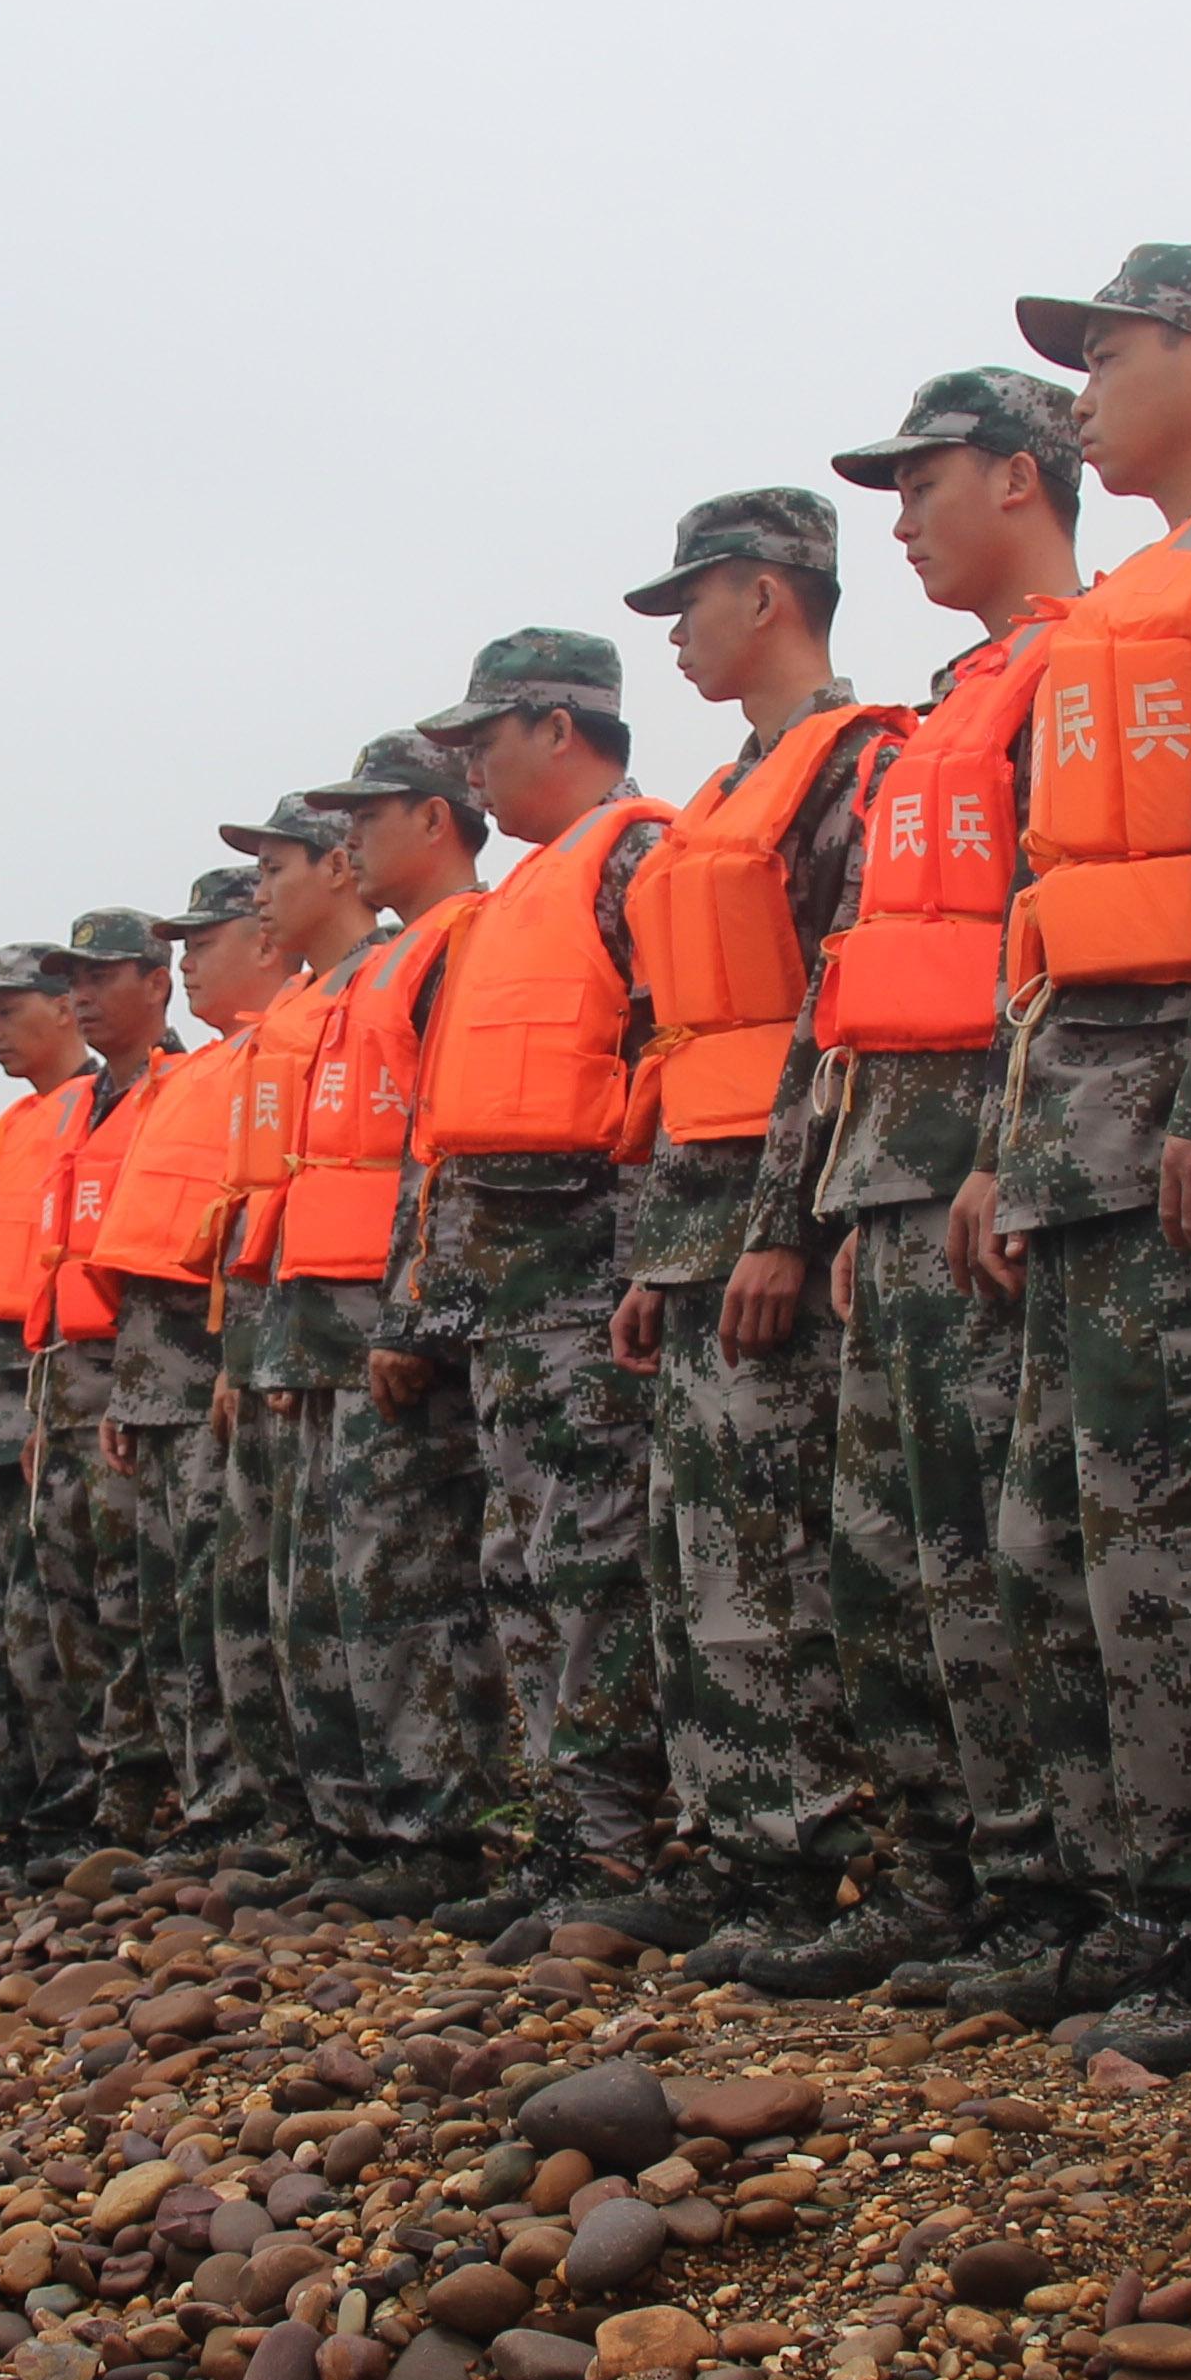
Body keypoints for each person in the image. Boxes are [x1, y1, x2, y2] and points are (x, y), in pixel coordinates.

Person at [953, 249, 1191, 2061]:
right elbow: (1055, 906)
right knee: (1056, 1541)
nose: (1079, 385)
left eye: (1103, 351)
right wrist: (1001, 1147)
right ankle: (1132, 1895)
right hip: (1074, 1132)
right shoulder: (1128, 598)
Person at [782, 367, 1093, 1998]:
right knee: (886, 1560)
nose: (900, 519)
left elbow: (1066, 937)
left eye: (927, 482)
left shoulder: (1073, 675)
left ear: (1024, 481)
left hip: (985, 1173)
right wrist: (839, 1194)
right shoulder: (936, 715)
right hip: (888, 1188)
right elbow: (863, 980)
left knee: (994, 1553)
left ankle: (1047, 1886)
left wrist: (1004, 1153)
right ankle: (947, 1870)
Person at [606, 494, 899, 1966]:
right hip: (700, 1219)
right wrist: (665, 1254)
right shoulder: (722, 796)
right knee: (695, 1553)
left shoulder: (854, 767)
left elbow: (842, 1017)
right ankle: (734, 1841)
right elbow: (684, 1044)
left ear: (770, 595)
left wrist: (783, 1224)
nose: (674, 637)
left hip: (777, 1223)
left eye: (693, 605)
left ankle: (802, 1853)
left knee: (770, 1549)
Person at [387, 629, 678, 1939]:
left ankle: (622, 1854)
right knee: (524, 1565)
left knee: (595, 1561)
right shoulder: (510, 904)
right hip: (509, 1299)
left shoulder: (636, 859)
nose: (474, 771)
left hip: (592, 1275)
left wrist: (660, 1261)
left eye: (486, 741)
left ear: (562, 728)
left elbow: (680, 1063)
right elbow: (452, 1126)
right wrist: (437, 1300)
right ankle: (569, 1844)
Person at [284, 733, 510, 1914]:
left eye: (367, 819)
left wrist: (419, 1312)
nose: (349, 844)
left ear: (433, 820)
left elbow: (444, 1138)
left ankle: (443, 1830)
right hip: (355, 1299)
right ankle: (382, 1821)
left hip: (413, 1301)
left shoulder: (467, 942)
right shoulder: (389, 961)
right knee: (360, 1576)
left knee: (420, 1573)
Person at [89, 868, 298, 1864]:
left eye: (203, 940)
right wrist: (127, 1390)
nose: (188, 961)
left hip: (220, 1370)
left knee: (233, 1599)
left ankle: (252, 1808)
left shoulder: (285, 1050)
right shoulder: (195, 1076)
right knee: (169, 1610)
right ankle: (208, 1801)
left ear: (263, 940)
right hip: (154, 1379)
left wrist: (229, 1362)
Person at [219, 799, 391, 1868]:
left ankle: (410, 1830)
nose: (260, 895)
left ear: (338, 866)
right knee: (298, 1591)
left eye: (275, 869)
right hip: (298, 1325)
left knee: (380, 1582)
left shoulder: (400, 972)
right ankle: (332, 1826)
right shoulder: (306, 1011)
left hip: (375, 1315)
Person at [24, 911, 185, 1843]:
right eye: (71, 980)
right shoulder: (79, 1108)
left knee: (135, 1588)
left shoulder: (185, 1087)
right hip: (64, 1381)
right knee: (71, 1592)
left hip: (140, 1371)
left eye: (101, 976)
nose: (80, 996)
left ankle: (139, 1794)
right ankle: (100, 1781)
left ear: (155, 981)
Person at [0, 945, 96, 1860]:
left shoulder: (100, 1105)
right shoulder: (12, 1128)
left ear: (66, 1006)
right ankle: (13, 1822)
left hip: (48, 1385)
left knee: (48, 1625)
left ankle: (70, 1818)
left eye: (10, 1010)